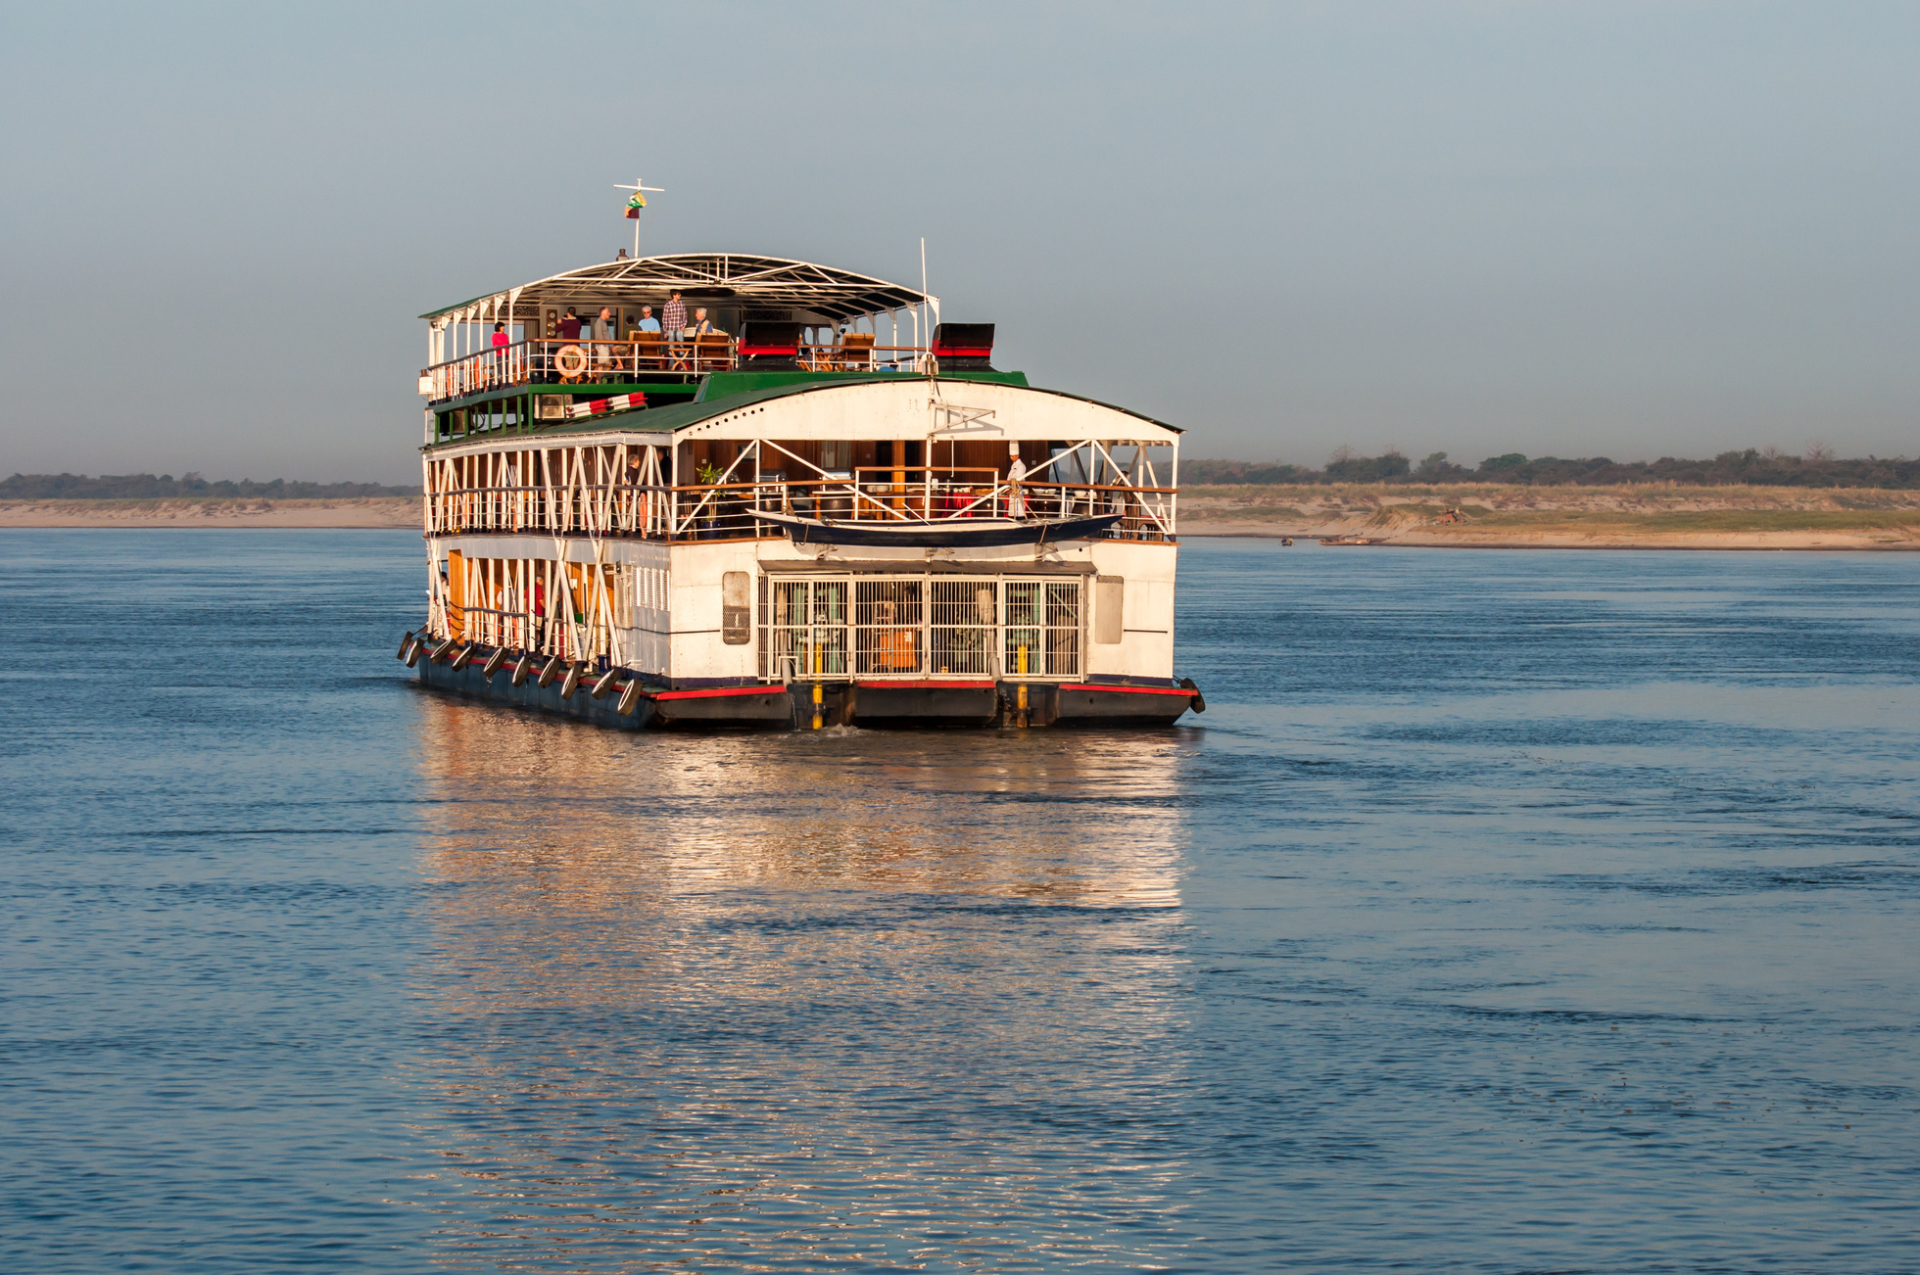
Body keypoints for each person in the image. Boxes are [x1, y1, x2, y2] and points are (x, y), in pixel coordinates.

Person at [592, 306, 616, 381]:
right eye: (608, 312)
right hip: (602, 346)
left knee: (602, 364)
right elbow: (599, 336)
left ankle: (598, 381)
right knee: (601, 364)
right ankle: (598, 381)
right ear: (603, 313)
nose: (609, 313)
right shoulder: (599, 322)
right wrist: (606, 343)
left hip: (604, 346)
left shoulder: (603, 322)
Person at [1006, 444, 1027, 518]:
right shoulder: (1013, 466)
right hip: (1011, 492)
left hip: (1017, 492)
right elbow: (1009, 478)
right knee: (1012, 511)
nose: (1011, 458)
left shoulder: (1021, 466)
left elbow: (1018, 479)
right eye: (1011, 456)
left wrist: (1011, 489)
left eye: (1013, 456)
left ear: (1017, 456)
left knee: (1018, 510)